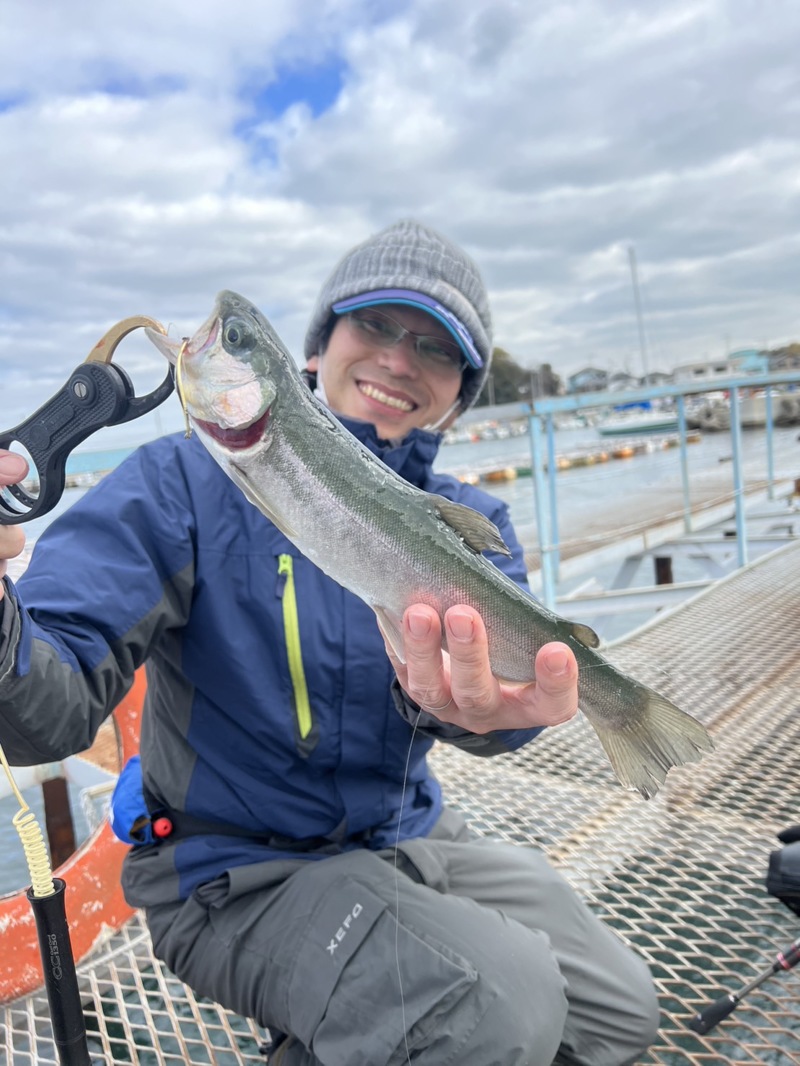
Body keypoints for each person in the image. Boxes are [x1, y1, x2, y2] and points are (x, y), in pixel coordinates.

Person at [0, 220, 659, 1065]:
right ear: (316, 348)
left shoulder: (475, 524)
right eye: (375, 325)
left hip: (408, 833)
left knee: (617, 1012)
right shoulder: (178, 484)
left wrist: (489, 715)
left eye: (435, 346)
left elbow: (507, 708)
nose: (396, 358)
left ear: (460, 391)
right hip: (231, 871)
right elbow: (46, 711)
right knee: (499, 1002)